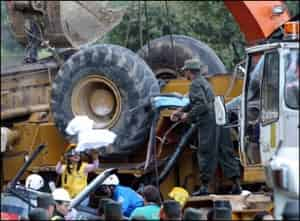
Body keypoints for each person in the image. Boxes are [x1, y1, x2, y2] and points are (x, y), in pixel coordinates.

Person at [170, 58, 241, 196]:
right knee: (225, 151)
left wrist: (187, 116)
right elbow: (198, 102)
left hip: (208, 122)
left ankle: (204, 187)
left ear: (189, 72)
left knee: (206, 152)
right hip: (219, 118)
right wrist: (181, 111)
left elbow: (201, 105)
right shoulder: (204, 82)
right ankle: (236, 184)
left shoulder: (195, 85)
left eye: (185, 72)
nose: (185, 74)